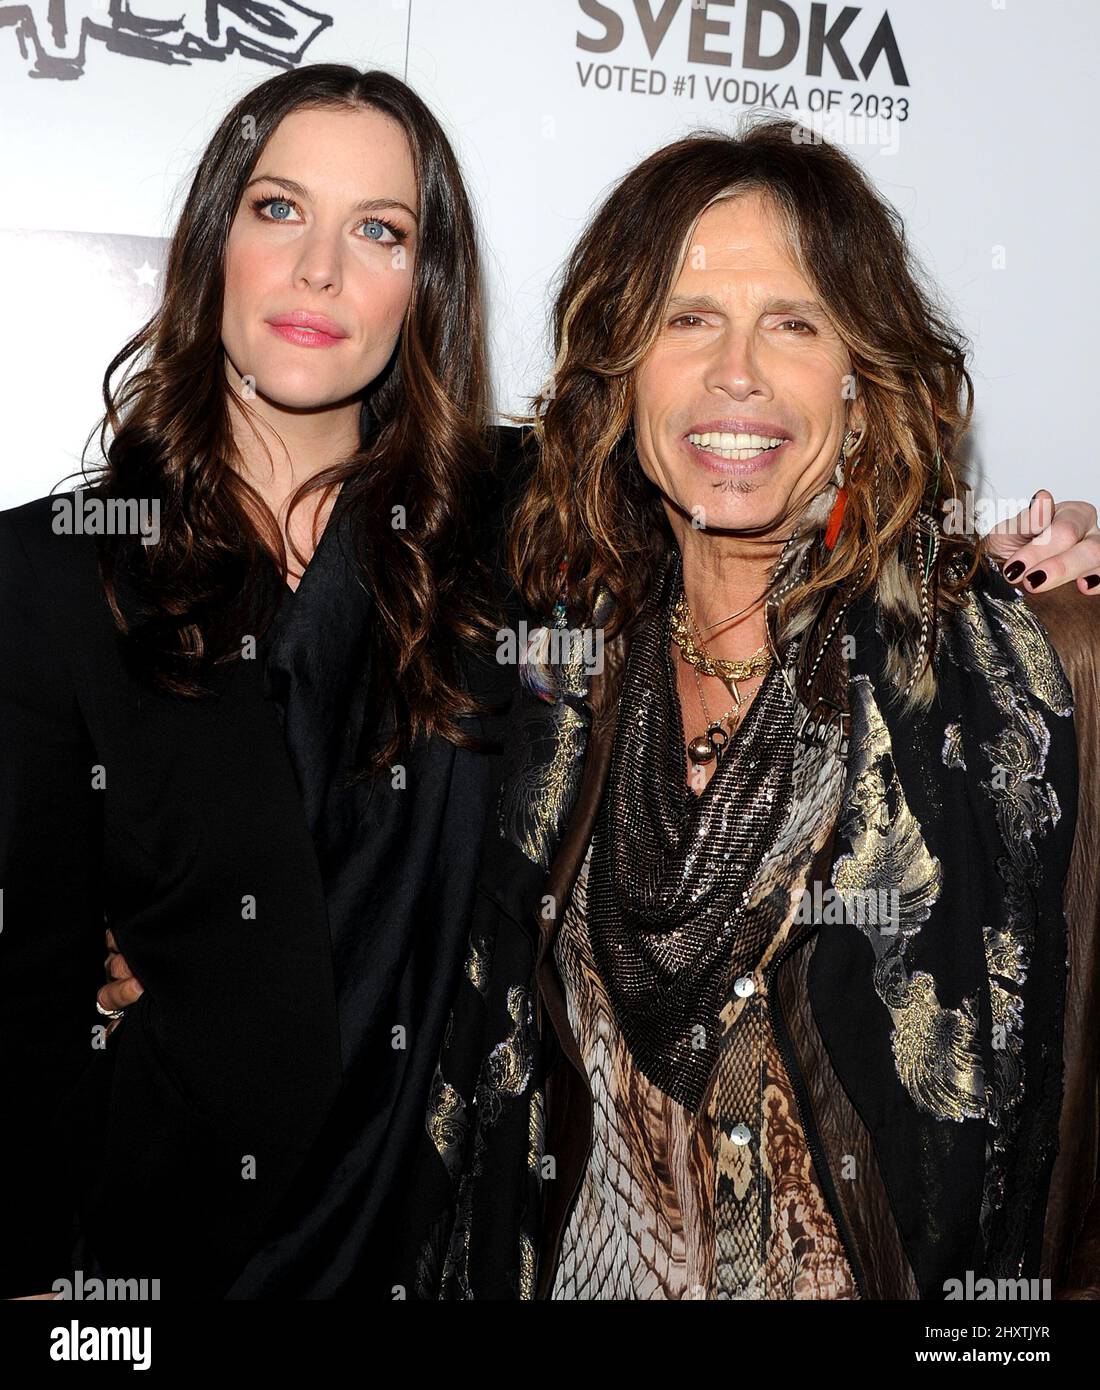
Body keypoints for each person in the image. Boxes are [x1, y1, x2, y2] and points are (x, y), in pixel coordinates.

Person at [400, 117, 1100, 1301]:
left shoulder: (1026, 678)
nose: (736, 373)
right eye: (686, 320)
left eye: (792, 322)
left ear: (864, 381)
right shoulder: (546, 669)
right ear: (618, 380)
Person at [0, 63, 526, 1300]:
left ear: (424, 285)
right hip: (166, 1263)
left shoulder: (517, 525)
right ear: (213, 238)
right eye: (279, 210)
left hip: (442, 1242)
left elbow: (753, 532)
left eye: (378, 231)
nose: (319, 272)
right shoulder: (51, 571)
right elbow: (22, 1022)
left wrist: (1027, 564)